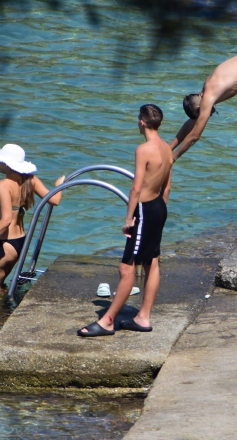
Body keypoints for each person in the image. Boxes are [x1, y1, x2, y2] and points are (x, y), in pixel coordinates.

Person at [78, 104, 172, 337]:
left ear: (141, 122)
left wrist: (130, 218)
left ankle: (108, 320)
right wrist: (159, 211)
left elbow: (135, 188)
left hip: (144, 209)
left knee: (126, 267)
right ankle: (143, 317)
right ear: (159, 124)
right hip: (159, 207)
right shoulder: (167, 148)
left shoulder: (144, 150)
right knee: (152, 262)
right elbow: (167, 185)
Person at [0, 143, 64, 296]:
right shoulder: (30, 179)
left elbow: (5, 220)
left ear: (7, 164)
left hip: (3, 243)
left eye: (0, 160)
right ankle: (7, 308)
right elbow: (55, 200)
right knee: (0, 284)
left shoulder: (4, 185)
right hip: (20, 242)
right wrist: (59, 185)